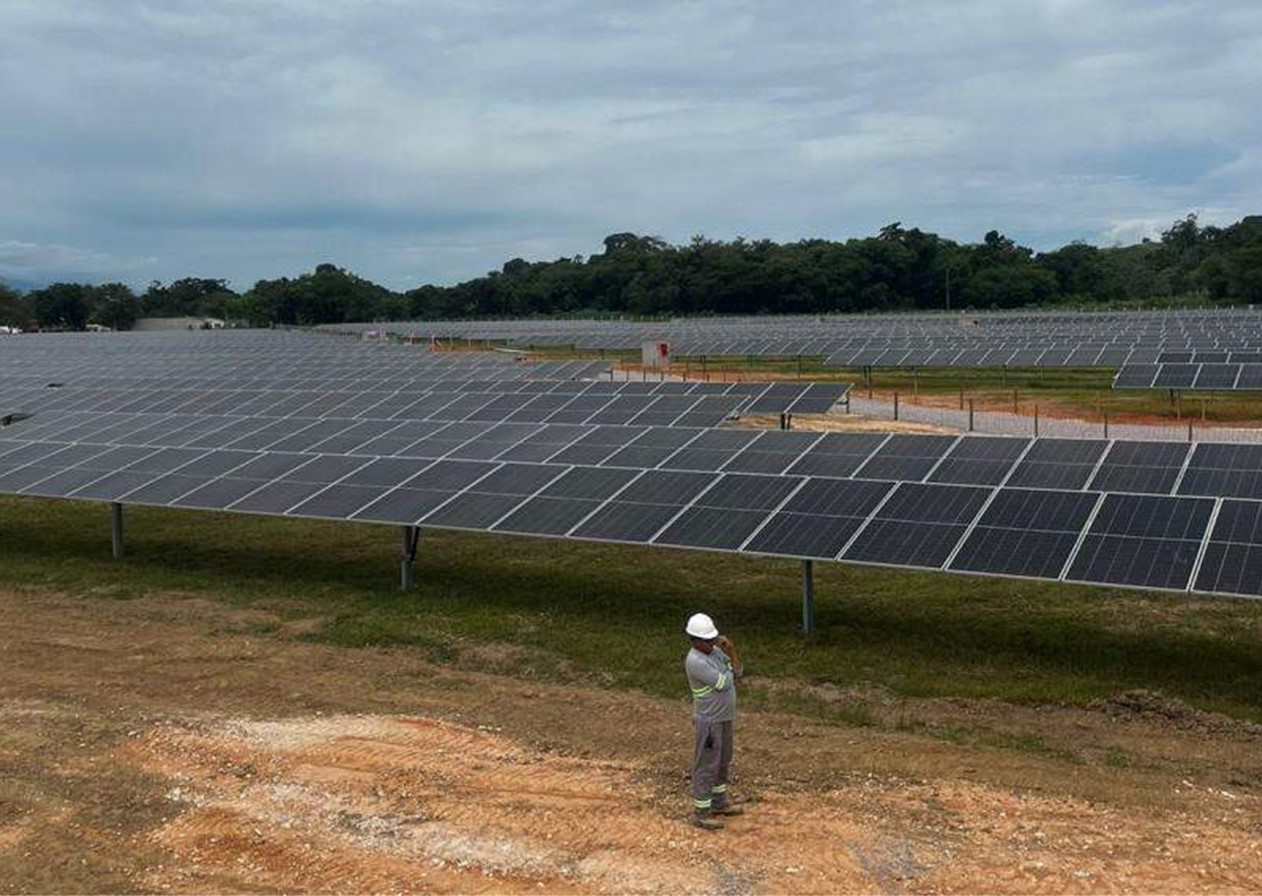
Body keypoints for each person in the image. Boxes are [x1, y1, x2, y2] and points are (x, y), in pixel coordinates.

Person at [683, 612, 744, 830]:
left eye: (713, 639)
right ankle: (701, 811)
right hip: (709, 722)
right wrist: (728, 668)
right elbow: (724, 683)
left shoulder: (716, 652)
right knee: (707, 764)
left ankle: (718, 803)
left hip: (724, 718)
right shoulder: (695, 661)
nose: (712, 643)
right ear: (695, 640)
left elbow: (737, 672)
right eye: (708, 640)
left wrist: (731, 651)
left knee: (723, 759)